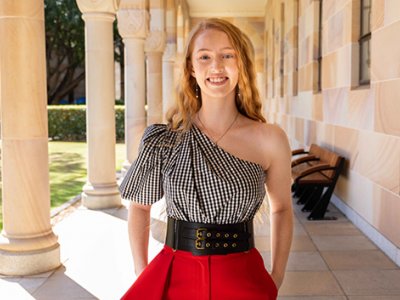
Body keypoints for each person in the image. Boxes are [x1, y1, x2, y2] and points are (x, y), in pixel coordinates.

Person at [119, 18, 293, 300]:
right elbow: (139, 206)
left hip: (243, 276)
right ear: (191, 67)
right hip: (174, 272)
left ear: (241, 64)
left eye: (227, 55)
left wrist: (277, 275)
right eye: (205, 57)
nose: (216, 66)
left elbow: (282, 209)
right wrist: (143, 272)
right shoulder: (164, 139)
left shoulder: (270, 138)